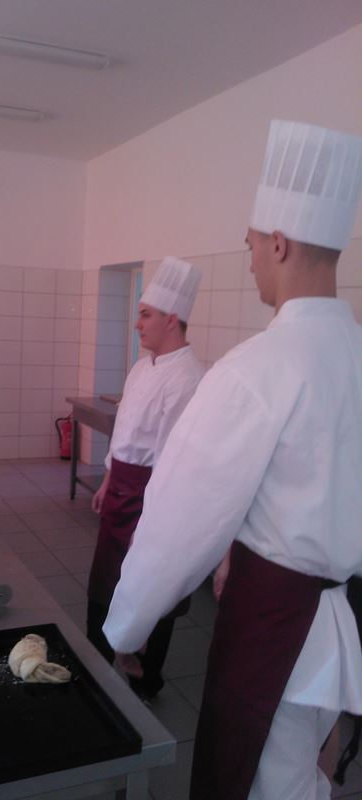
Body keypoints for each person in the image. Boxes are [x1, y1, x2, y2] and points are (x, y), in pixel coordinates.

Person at [103, 119, 362, 800]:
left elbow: (180, 521)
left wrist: (128, 626)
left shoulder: (258, 367)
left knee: (259, 784)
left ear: (278, 243)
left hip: (274, 629)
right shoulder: (355, 354)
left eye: (250, 247)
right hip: (336, 622)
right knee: (307, 777)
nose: (250, 263)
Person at [86, 256, 203, 700]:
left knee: (151, 591)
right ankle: (96, 666)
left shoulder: (187, 377)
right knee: (105, 583)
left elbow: (172, 462)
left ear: (171, 320)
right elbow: (125, 434)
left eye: (145, 314)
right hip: (121, 488)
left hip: (154, 499)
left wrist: (149, 521)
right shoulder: (142, 367)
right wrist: (107, 479)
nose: (137, 324)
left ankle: (146, 679)